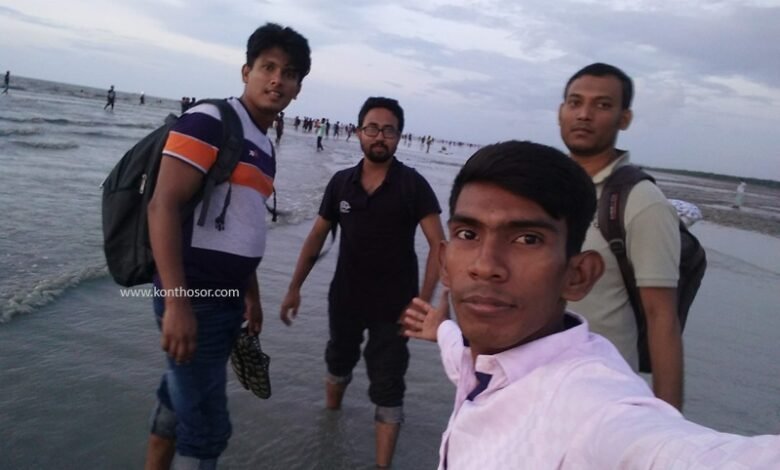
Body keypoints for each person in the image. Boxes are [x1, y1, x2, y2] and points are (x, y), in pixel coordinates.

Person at [402, 140, 780, 469]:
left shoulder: (591, 409)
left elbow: (669, 451)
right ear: (445, 264)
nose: (486, 266)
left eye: (528, 239)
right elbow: (461, 356)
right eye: (468, 233)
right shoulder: (483, 361)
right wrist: (441, 329)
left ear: (578, 275)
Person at [145, 23, 311, 470]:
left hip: (226, 300)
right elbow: (162, 205)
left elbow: (240, 224)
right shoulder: (210, 120)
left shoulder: (263, 145)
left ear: (298, 88)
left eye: (289, 73)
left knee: (178, 403)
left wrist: (250, 295)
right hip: (194, 297)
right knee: (206, 433)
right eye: (268, 67)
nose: (277, 80)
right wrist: (177, 303)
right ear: (246, 72)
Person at [280, 97, 445, 468]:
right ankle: (330, 425)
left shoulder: (412, 185)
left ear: (399, 136)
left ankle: (382, 465)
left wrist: (422, 302)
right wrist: (293, 288)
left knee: (388, 383)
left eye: (389, 130)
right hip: (346, 299)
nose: (380, 136)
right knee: (338, 361)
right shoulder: (341, 183)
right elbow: (316, 237)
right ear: (358, 132)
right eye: (372, 128)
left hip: (396, 307)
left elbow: (439, 245)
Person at [558, 63, 683, 409]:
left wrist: (667, 421)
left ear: (624, 119)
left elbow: (662, 318)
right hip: (532, 388)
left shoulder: (641, 201)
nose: (584, 114)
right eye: (575, 102)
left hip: (603, 400)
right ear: (561, 111)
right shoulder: (543, 188)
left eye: (602, 105)